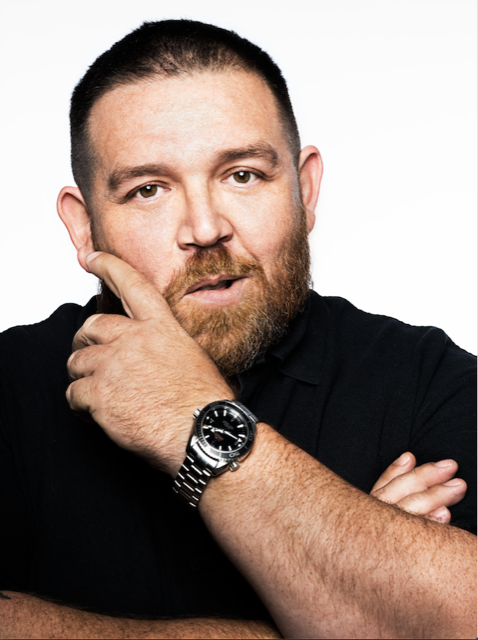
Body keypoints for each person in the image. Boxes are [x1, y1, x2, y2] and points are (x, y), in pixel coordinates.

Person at [0, 19, 475, 639]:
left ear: (305, 189)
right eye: (148, 190)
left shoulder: (429, 378)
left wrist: (194, 419)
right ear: (84, 225)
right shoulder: (8, 383)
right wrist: (352, 594)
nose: (204, 229)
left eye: (242, 175)